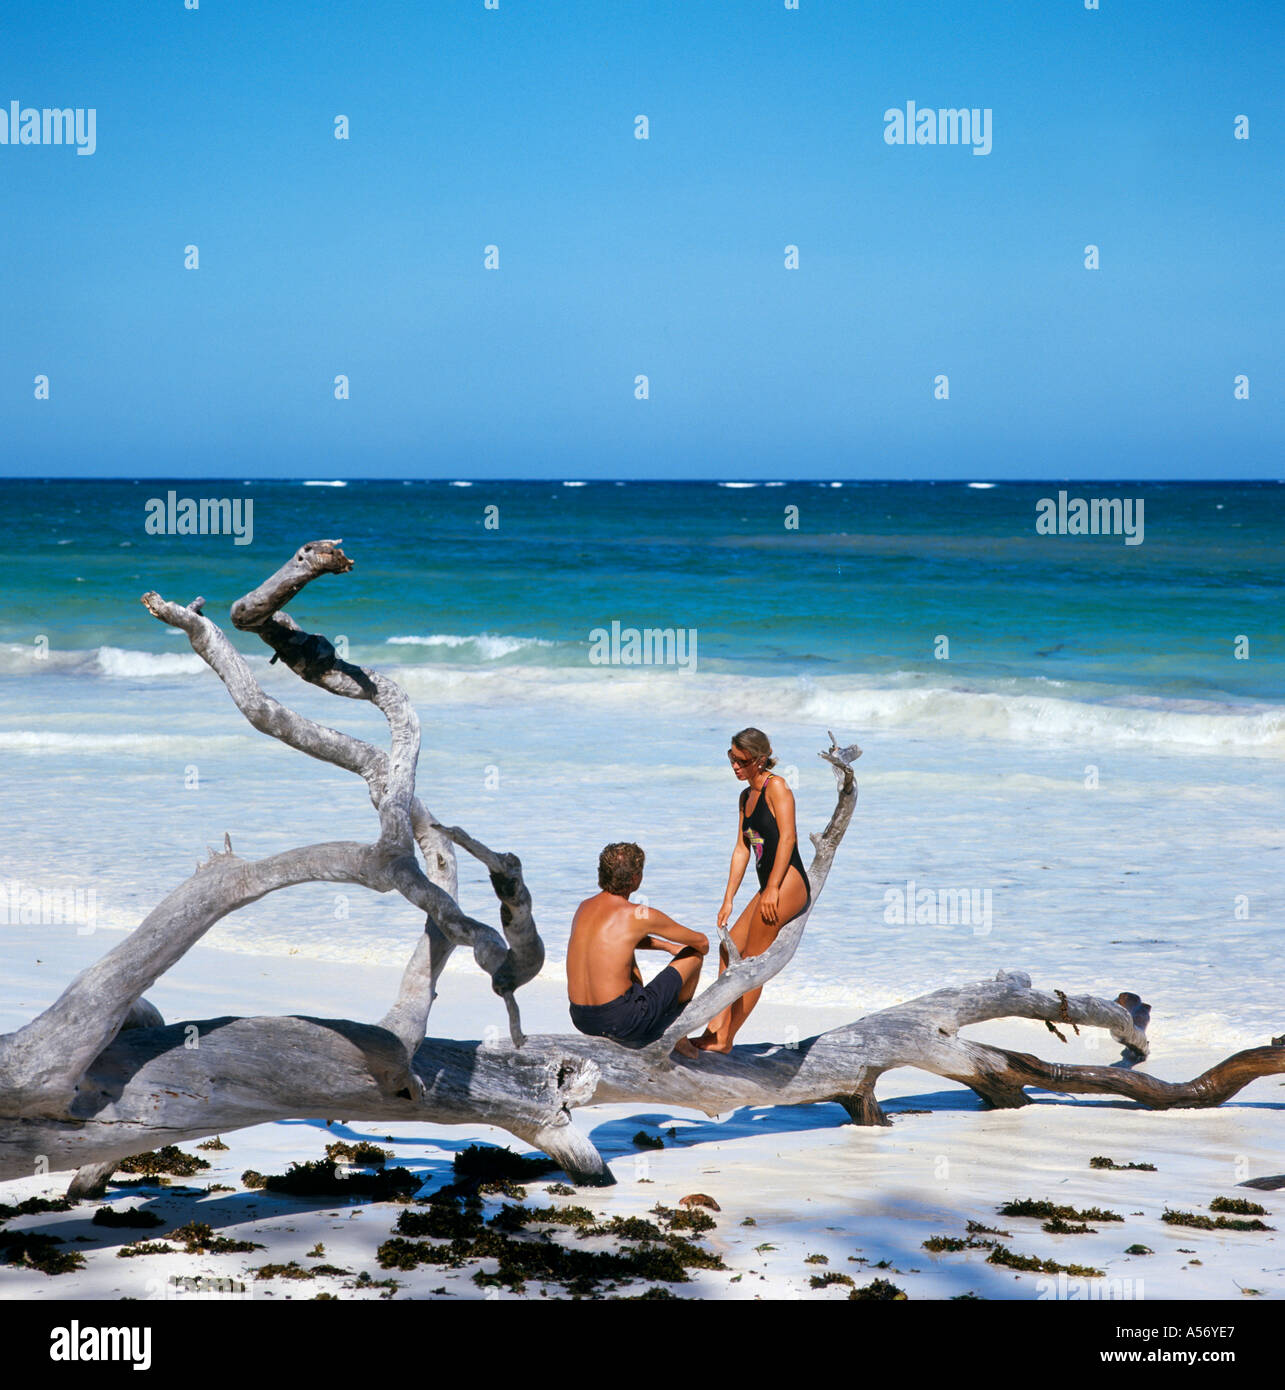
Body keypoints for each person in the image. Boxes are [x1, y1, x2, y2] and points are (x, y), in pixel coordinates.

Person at [692, 727, 811, 1052]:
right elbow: (742, 848)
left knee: (752, 961)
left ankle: (726, 1039)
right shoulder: (746, 797)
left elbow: (788, 838)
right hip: (768, 885)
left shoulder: (778, 788)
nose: (735, 766)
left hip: (790, 882)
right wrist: (728, 898)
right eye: (731, 759)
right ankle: (714, 1030)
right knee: (727, 950)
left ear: (759, 759)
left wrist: (772, 888)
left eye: (741, 760)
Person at [567, 842, 708, 1058]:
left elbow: (617, 939)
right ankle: (677, 1033)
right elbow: (702, 943)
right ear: (635, 879)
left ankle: (643, 1025)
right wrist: (681, 947)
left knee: (626, 952)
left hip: (581, 1018)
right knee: (694, 956)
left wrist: (666, 946)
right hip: (621, 1021)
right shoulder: (639, 914)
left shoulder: (584, 907)